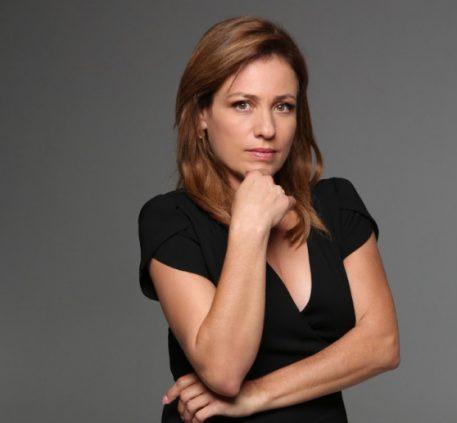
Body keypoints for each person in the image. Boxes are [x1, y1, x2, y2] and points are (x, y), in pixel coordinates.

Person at [137, 15, 400, 423]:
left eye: (283, 106)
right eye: (242, 104)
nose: (267, 128)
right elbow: (223, 370)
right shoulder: (171, 220)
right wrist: (249, 228)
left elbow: (382, 344)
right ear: (202, 114)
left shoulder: (336, 205)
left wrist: (258, 394)